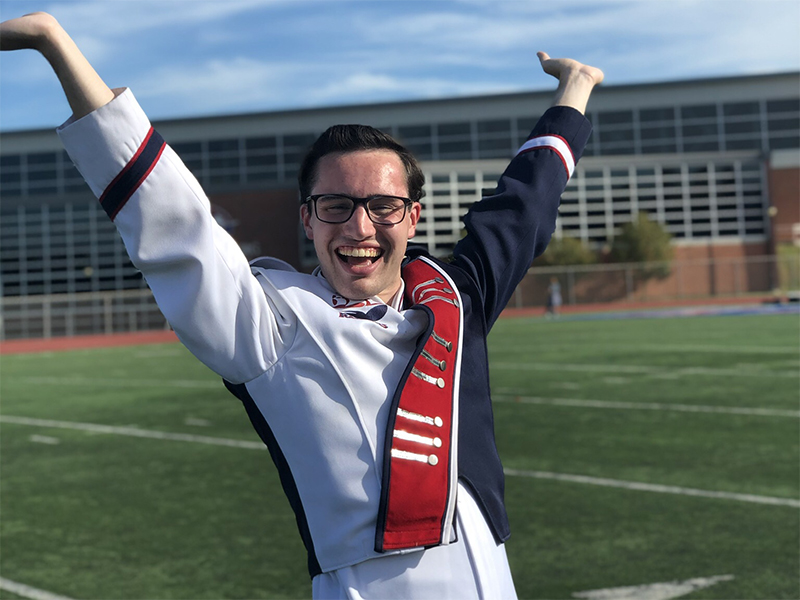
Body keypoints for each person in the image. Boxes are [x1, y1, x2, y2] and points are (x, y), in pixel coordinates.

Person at [0, 12, 603, 599]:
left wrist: (575, 88)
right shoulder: (270, 323)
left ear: (413, 217)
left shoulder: (456, 295)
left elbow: (526, 206)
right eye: (334, 206)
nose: (360, 226)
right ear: (307, 221)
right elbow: (171, 220)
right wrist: (53, 41)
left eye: (383, 206)